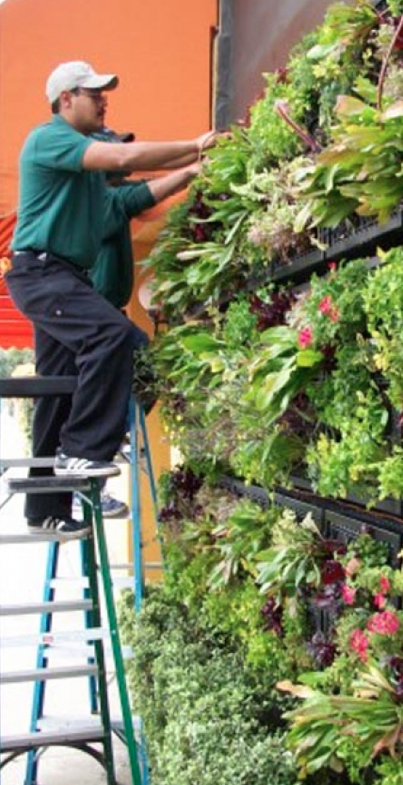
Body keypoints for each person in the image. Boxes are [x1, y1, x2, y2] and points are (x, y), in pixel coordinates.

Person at [5, 60, 217, 539]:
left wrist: (194, 170)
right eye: (93, 93)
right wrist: (193, 144)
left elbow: (134, 194)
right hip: (42, 273)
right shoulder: (48, 138)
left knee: (59, 386)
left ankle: (45, 506)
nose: (104, 101)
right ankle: (84, 448)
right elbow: (124, 163)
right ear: (65, 101)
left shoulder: (88, 192)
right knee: (113, 336)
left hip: (63, 278)